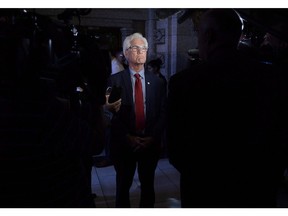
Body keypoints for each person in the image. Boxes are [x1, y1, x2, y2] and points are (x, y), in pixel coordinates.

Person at [167, 9, 288, 207]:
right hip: (257, 193)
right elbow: (280, 140)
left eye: (198, 34)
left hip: (204, 192)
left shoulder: (185, 82)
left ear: (209, 36)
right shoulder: (271, 78)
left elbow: (177, 151)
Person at [107, 32, 166, 207]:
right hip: (124, 144)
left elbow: (163, 112)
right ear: (125, 53)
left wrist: (152, 137)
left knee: (148, 187)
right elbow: (111, 113)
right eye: (135, 48)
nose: (141, 52)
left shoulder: (158, 82)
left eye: (144, 48)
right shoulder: (114, 80)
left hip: (150, 143)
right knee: (123, 188)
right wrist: (127, 137)